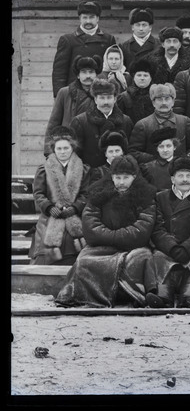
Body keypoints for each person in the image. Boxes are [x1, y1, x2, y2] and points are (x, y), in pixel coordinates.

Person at [55, 155, 156, 308]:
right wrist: (113, 237)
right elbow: (90, 225)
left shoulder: (146, 196)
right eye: (117, 177)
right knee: (83, 261)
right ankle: (86, 297)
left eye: (126, 177)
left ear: (134, 177)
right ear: (111, 177)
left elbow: (142, 228)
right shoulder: (98, 194)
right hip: (100, 247)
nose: (121, 182)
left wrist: (115, 237)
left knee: (141, 258)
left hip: (132, 247)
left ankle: (129, 295)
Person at [146, 156, 190, 308]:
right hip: (169, 248)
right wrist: (172, 247)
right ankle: (164, 296)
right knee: (157, 257)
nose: (185, 180)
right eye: (180, 176)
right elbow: (157, 228)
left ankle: (188, 296)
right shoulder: (160, 198)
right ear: (172, 179)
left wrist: (187, 247)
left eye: (188, 176)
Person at [30, 126, 91, 265]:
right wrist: (49, 207)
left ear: (72, 148)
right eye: (59, 149)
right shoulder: (43, 169)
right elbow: (38, 193)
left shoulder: (84, 169)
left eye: (66, 148)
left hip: (74, 215)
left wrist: (75, 208)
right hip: (51, 215)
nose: (63, 152)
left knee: (72, 241)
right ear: (54, 149)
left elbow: (86, 194)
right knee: (44, 242)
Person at [52, 1, 117, 96]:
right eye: (85, 17)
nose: (88, 21)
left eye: (91, 17)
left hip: (100, 92)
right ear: (80, 18)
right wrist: (59, 96)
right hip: (75, 93)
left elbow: (113, 68)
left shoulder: (108, 39)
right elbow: (59, 72)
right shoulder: (68, 40)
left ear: (98, 18)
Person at [69, 78, 134, 168]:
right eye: (102, 98)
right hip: (91, 175)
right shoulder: (80, 121)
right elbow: (75, 155)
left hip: (119, 175)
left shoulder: (126, 121)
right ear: (95, 99)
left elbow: (129, 151)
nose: (106, 102)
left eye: (109, 97)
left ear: (115, 99)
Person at [128, 82, 190, 165]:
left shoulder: (185, 122)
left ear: (173, 102)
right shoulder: (143, 125)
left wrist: (184, 160)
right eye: (160, 99)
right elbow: (134, 152)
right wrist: (157, 160)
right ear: (153, 103)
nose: (164, 103)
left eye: (167, 99)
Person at [46, 56, 101, 150]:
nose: (88, 76)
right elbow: (53, 124)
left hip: (93, 148)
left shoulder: (102, 94)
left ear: (96, 74)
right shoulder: (64, 93)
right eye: (84, 72)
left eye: (91, 72)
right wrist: (49, 152)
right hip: (69, 146)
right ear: (78, 75)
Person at [116, 59, 156, 125]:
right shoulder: (124, 98)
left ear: (151, 78)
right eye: (139, 75)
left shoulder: (157, 96)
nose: (142, 78)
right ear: (133, 77)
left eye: (145, 75)